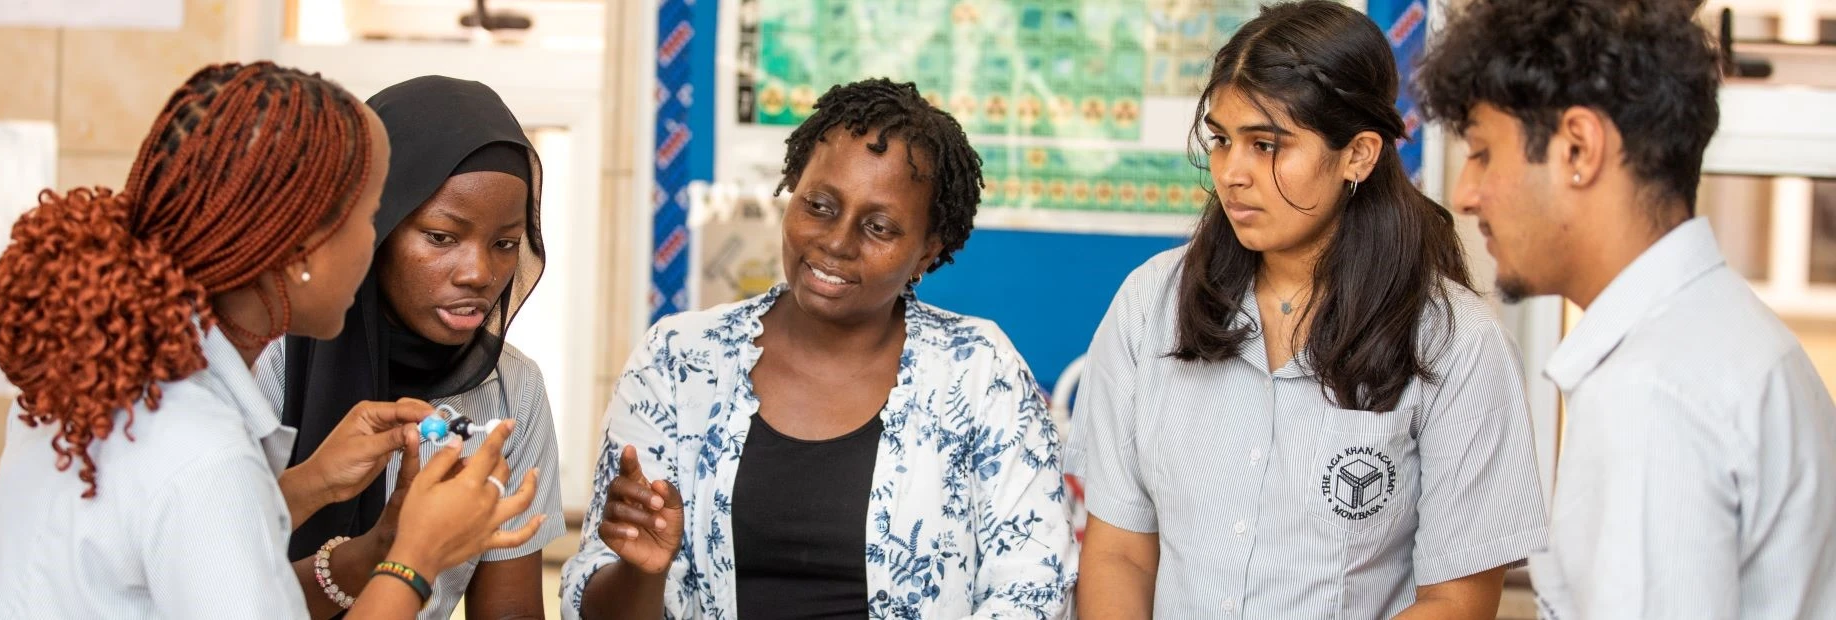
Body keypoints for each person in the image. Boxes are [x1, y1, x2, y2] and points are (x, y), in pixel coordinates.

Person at [0, 61, 542, 618]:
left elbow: (180, 542)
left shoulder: (118, 383)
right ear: (296, 247)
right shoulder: (201, 448)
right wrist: (416, 557)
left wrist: (317, 491)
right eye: (367, 218)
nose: (374, 244)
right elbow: (201, 496)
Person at [1073, 2, 1547, 618]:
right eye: (1220, 140)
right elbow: (1120, 556)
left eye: (1267, 145)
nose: (1232, 174)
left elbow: (1457, 601)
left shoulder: (1457, 344)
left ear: (1358, 155)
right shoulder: (1150, 305)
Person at [561, 78, 1075, 619]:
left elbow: (1031, 592)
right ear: (791, 191)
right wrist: (644, 571)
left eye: (878, 227)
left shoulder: (979, 371)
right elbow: (596, 604)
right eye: (820, 205)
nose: (837, 241)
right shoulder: (677, 360)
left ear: (928, 250)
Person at [1417, 1, 1836, 617]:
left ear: (1579, 149)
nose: (1466, 193)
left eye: (1482, 152)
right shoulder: (1725, 334)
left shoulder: (1651, 390)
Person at [254, 75, 564, 619]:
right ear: (375, 226)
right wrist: (405, 553)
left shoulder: (513, 390)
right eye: (442, 237)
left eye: (506, 244)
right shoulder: (269, 357)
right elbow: (225, 582)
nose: (478, 273)